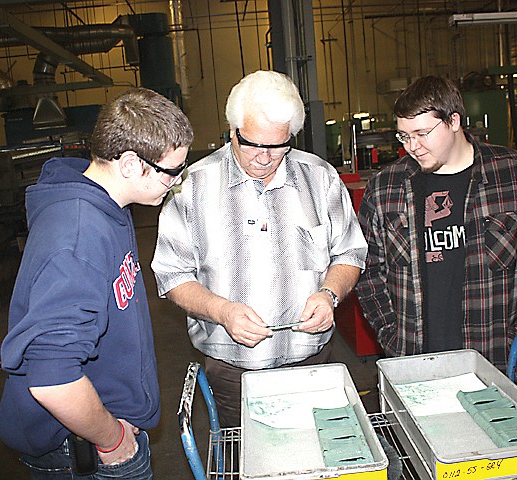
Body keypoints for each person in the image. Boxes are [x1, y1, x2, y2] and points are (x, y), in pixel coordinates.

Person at [0, 87, 193, 478]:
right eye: (173, 171)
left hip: (100, 430)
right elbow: (54, 378)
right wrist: (113, 439)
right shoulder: (78, 236)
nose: (178, 181)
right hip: (82, 451)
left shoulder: (106, 206)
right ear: (132, 164)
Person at [151, 70, 367, 427]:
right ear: (232, 131)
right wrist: (222, 312)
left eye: (278, 146)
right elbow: (172, 275)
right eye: (252, 143)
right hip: (233, 374)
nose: (265, 157)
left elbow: (349, 253)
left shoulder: (320, 178)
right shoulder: (191, 187)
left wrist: (329, 294)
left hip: (312, 363)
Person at [356, 75, 517, 405]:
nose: (412, 146)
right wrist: (393, 335)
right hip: (418, 377)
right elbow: (368, 273)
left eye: (422, 133)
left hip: (504, 377)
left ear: (454, 120)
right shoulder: (385, 188)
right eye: (404, 135)